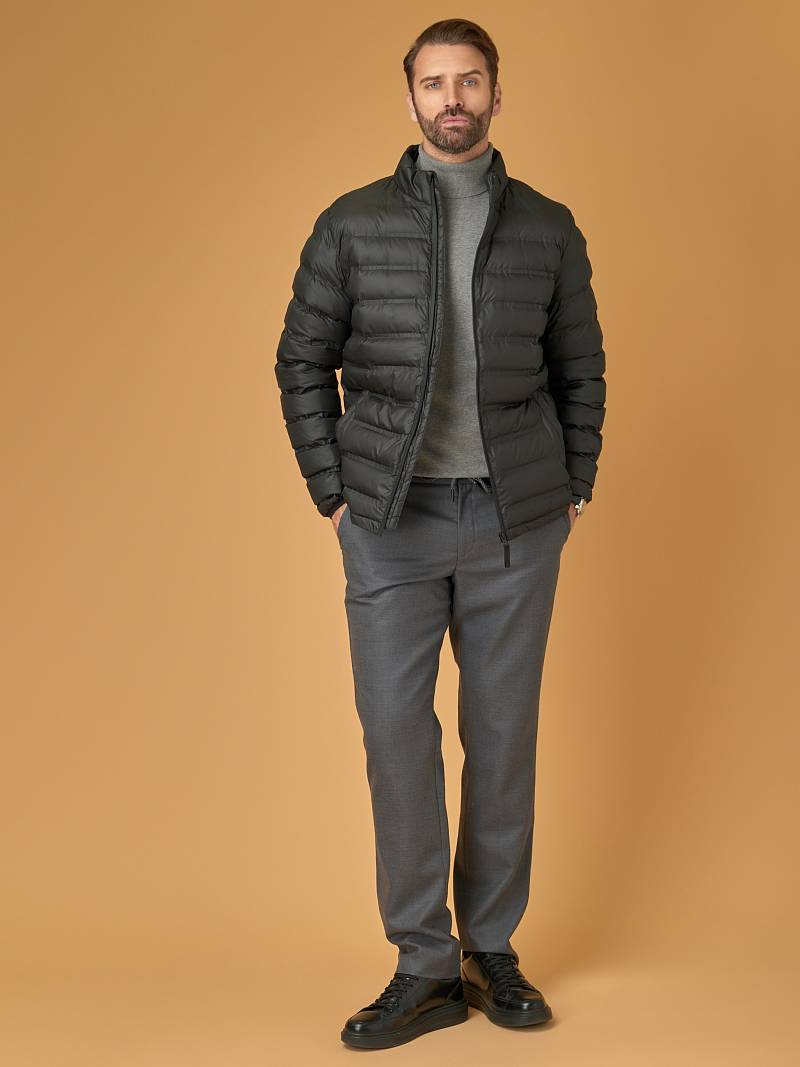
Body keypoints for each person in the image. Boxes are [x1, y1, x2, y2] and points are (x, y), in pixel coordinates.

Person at [274, 17, 606, 1050]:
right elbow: (300, 359)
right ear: (410, 96)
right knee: (396, 736)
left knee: (502, 738)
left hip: (515, 520)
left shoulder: (546, 225)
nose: (451, 98)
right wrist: (334, 491)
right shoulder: (351, 222)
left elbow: (581, 366)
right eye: (433, 82)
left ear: (496, 95)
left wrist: (574, 485)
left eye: (468, 81)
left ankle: (488, 948)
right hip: (390, 519)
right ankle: (423, 962)